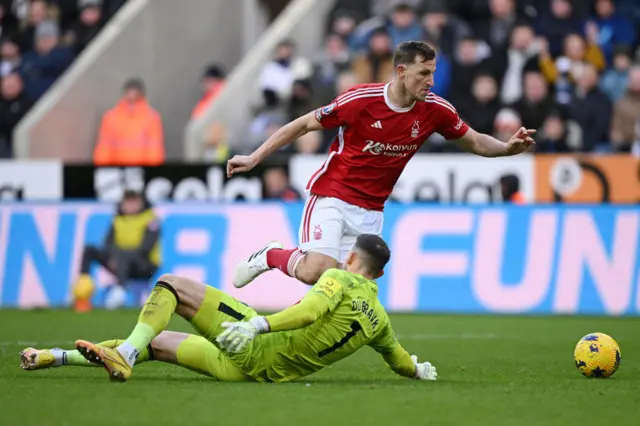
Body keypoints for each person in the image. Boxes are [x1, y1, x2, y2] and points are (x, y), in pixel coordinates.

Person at [226, 41, 535, 288]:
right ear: (401, 72)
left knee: (341, 290)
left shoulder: (436, 110)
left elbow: (476, 141)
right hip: (334, 195)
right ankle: (270, 255)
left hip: (372, 210)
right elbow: (304, 125)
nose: (431, 81)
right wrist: (255, 157)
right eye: (423, 74)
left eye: (433, 73)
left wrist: (507, 149)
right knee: (313, 272)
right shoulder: (361, 100)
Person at [20, 235, 438, 384]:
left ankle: (125, 354)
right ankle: (55, 357)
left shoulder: (339, 278)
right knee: (159, 342)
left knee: (171, 285)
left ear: (350, 259)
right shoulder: (380, 321)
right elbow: (398, 360)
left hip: (253, 347)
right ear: (379, 276)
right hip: (251, 373)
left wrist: (259, 323)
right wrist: (417, 370)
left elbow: (309, 312)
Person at [72, 190, 161, 312]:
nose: (131, 206)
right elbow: (107, 244)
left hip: (145, 265)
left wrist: (118, 256)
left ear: (141, 202)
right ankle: (82, 293)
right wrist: (114, 257)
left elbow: (145, 248)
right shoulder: (117, 219)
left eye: (134, 202)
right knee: (90, 250)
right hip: (119, 262)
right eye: (128, 202)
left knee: (124, 255)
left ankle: (119, 291)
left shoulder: (151, 219)